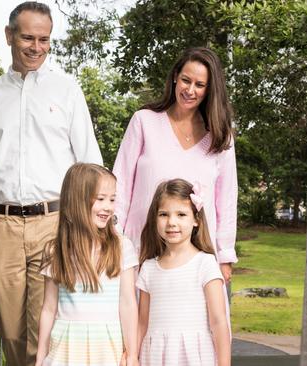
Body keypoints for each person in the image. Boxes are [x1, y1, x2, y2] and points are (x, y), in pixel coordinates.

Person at [0, 2, 103, 365]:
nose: (36, 47)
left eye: (44, 39)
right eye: (28, 38)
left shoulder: (67, 90)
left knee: (45, 330)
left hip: (54, 224)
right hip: (1, 227)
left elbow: (90, 163)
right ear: (9, 36)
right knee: (10, 331)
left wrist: (95, 229)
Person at [112, 47, 238, 283]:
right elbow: (120, 184)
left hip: (197, 256)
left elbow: (227, 202)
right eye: (185, 80)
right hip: (140, 251)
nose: (190, 90)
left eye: (199, 85)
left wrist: (225, 256)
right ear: (175, 78)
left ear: (210, 89)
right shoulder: (144, 121)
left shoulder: (222, 137)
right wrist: (113, 238)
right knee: (138, 318)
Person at [36, 163, 139, 366]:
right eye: (100, 199)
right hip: (66, 349)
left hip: (107, 349)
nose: (108, 207)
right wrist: (40, 357)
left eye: (112, 199)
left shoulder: (122, 247)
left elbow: (128, 303)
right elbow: (49, 308)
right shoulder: (55, 250)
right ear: (77, 201)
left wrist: (132, 353)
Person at [137, 179, 230, 366]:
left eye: (181, 214)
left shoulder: (205, 264)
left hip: (194, 357)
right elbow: (142, 322)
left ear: (196, 219)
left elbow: (219, 322)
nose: (172, 222)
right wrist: (131, 355)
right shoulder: (148, 268)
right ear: (154, 218)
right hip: (155, 357)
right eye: (164, 214)